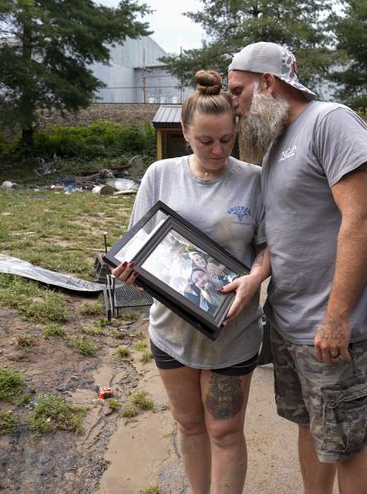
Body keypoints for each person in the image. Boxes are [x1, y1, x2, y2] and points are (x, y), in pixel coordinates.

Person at [228, 42, 367, 494]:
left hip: (330, 329)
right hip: (290, 324)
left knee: (348, 442)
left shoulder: (330, 122)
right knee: (310, 428)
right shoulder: (276, 141)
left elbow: (362, 217)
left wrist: (337, 318)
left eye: (238, 91)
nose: (233, 103)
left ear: (269, 83)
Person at [112, 70, 270, 494]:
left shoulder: (253, 180)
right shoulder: (159, 175)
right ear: (185, 133)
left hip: (232, 331)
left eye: (226, 139)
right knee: (189, 425)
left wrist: (254, 279)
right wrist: (132, 273)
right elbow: (139, 247)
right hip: (171, 332)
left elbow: (268, 247)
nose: (218, 150)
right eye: (205, 141)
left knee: (225, 431)